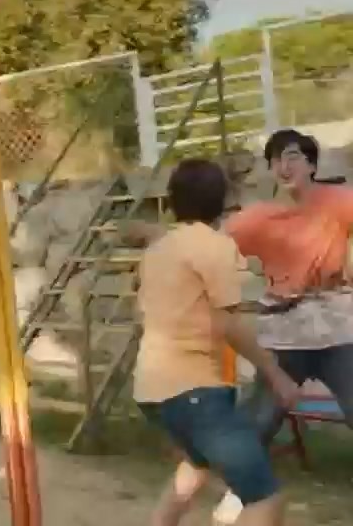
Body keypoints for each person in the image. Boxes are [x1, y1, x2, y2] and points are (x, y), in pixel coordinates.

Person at [134, 158, 300, 526]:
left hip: (151, 389)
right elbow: (230, 325)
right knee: (265, 499)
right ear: (223, 201)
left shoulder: (158, 250)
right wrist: (277, 375)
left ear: (173, 200)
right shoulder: (215, 247)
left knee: (195, 468)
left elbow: (151, 312)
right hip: (193, 390)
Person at [210, 130, 353, 522]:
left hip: (336, 327)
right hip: (286, 331)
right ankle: (239, 494)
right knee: (260, 419)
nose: (283, 166)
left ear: (311, 164)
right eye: (275, 160)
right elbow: (209, 247)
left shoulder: (339, 201)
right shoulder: (258, 218)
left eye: (292, 156)